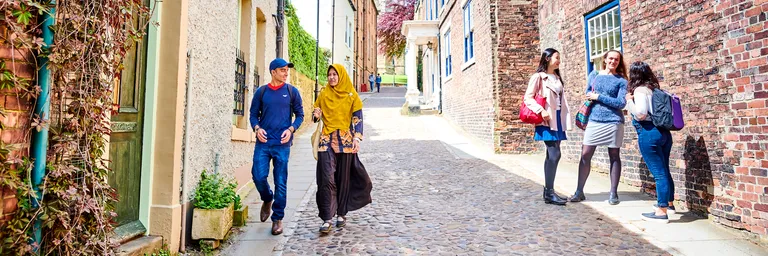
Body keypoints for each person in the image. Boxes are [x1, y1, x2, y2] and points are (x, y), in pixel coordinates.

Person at [313, 64, 373, 233]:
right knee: (326, 178)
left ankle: (341, 213)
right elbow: (315, 114)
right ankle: (326, 218)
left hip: (345, 142)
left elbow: (358, 119)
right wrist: (316, 116)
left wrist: (357, 138)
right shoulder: (324, 94)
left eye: (335, 74)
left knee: (343, 179)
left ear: (341, 76)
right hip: (326, 141)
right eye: (329, 74)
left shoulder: (351, 95)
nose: (332, 77)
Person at [249, 58, 304, 235]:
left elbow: (300, 115)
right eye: (282, 70)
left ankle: (278, 218)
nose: (286, 73)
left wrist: (291, 129)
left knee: (281, 182)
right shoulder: (262, 92)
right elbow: (252, 115)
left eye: (287, 70)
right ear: (273, 72)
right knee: (258, 176)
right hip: (263, 143)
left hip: (282, 144)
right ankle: (267, 199)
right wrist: (256, 128)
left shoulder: (292, 91)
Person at [569, 50, 628, 205]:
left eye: (616, 59)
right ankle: (579, 191)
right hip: (594, 120)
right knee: (585, 155)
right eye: (611, 58)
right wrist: (592, 95)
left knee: (614, 156)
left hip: (614, 121)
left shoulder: (621, 80)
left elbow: (621, 103)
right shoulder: (594, 75)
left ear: (619, 62)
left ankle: (613, 193)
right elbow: (588, 92)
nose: (613, 61)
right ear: (605, 59)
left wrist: (599, 97)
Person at [626, 61, 675, 223]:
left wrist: (629, 102)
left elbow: (640, 114)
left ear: (633, 75)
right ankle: (669, 204)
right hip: (664, 133)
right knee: (664, 170)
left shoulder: (640, 90)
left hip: (648, 132)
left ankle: (661, 212)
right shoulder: (656, 90)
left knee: (659, 174)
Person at [523, 48, 572, 206]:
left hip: (558, 118)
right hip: (546, 118)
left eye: (559, 58)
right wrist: (541, 110)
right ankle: (549, 192)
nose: (559, 61)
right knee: (555, 154)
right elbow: (528, 98)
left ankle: (548, 192)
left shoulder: (557, 77)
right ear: (547, 59)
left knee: (552, 155)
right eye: (556, 58)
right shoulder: (538, 77)